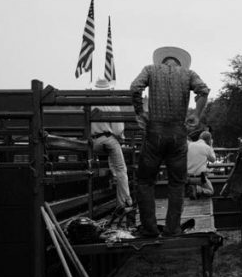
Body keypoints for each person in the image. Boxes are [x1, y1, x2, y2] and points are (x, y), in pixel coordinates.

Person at [130, 46, 210, 237]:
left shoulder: (150, 70)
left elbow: (135, 88)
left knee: (145, 181)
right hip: (178, 134)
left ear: (162, 61)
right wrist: (196, 115)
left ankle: (149, 228)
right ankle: (172, 228)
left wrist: (140, 112)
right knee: (177, 182)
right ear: (180, 62)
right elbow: (204, 91)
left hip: (154, 132)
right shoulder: (189, 73)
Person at [90, 79, 134, 215]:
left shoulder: (89, 104)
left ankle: (113, 175)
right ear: (108, 90)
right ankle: (125, 202)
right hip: (108, 139)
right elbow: (118, 129)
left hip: (93, 142)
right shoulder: (112, 104)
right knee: (121, 169)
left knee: (113, 156)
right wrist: (121, 139)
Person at [187, 129, 218, 198]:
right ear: (209, 140)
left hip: (188, 177)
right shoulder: (207, 147)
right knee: (211, 191)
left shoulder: (190, 145)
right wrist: (211, 146)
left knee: (195, 184)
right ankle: (198, 190)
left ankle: (193, 189)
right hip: (200, 178)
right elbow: (213, 159)